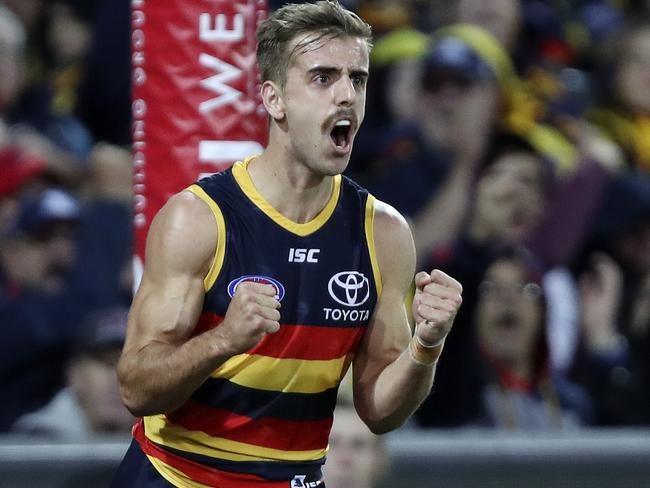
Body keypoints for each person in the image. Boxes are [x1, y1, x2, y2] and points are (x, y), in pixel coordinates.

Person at [113, 2, 463, 487]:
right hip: (177, 478)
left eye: (357, 80)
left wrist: (427, 345)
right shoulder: (199, 219)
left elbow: (379, 410)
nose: (346, 96)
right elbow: (136, 386)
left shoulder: (382, 233)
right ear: (274, 100)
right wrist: (223, 339)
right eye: (323, 78)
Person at [11, 306, 134, 438]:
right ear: (74, 375)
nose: (118, 378)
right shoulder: (34, 441)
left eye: (132, 366)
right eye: (107, 363)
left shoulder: (155, 439)